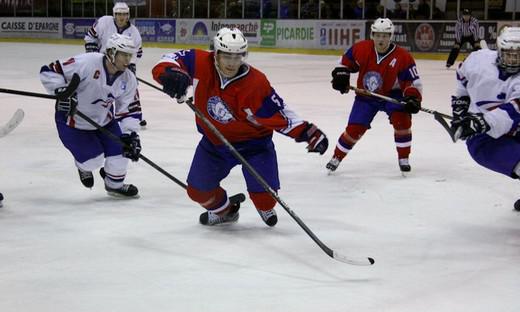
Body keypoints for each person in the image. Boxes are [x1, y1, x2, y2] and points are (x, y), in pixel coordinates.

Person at [151, 27, 329, 227]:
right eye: (226, 56)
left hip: (255, 146)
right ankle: (225, 211)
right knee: (197, 191)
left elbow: (279, 114)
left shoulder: (256, 83)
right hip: (215, 144)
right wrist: (172, 74)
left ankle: (263, 204)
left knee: (266, 200)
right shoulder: (200, 62)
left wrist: (308, 133)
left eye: (237, 56)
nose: (232, 62)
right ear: (215, 53)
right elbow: (166, 62)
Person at [40, 33, 142, 198]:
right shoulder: (88, 62)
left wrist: (130, 135)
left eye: (129, 55)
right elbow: (51, 70)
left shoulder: (128, 79)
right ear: (111, 52)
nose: (127, 60)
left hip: (104, 122)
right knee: (93, 160)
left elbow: (130, 109)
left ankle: (114, 185)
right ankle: (83, 167)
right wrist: (60, 91)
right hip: (74, 122)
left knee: (123, 150)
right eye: (124, 55)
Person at [327, 18, 422, 174]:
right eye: (378, 35)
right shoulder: (361, 48)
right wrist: (341, 75)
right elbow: (344, 63)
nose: (381, 39)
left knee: (402, 121)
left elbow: (412, 81)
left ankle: (404, 158)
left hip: (392, 94)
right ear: (372, 34)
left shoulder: (403, 56)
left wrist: (412, 97)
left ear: (391, 36)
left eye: (385, 35)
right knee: (354, 128)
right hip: (366, 95)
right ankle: (337, 157)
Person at [450, 27, 520, 210]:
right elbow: (462, 82)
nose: (513, 60)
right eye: (508, 54)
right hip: (484, 139)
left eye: (518, 55)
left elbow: (513, 111)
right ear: (498, 50)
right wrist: (460, 111)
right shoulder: (477, 60)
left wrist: (481, 121)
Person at [84, 2, 147, 127]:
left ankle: (133, 115)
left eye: (124, 14)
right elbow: (90, 37)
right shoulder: (104, 22)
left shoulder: (134, 32)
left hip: (121, 64)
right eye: (118, 14)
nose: (121, 17)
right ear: (114, 14)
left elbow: (137, 53)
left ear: (128, 15)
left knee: (130, 87)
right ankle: (96, 114)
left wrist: (131, 65)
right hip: (102, 62)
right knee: (98, 86)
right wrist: (93, 53)